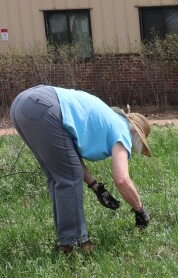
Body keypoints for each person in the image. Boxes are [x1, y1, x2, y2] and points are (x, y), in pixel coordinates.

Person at [9, 85, 152, 254]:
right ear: (136, 133)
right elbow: (121, 179)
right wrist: (140, 209)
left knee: (57, 176)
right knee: (68, 179)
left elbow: (71, 160)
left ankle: (66, 240)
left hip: (22, 104)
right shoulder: (123, 132)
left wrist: (97, 188)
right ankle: (74, 244)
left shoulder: (106, 119)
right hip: (44, 108)